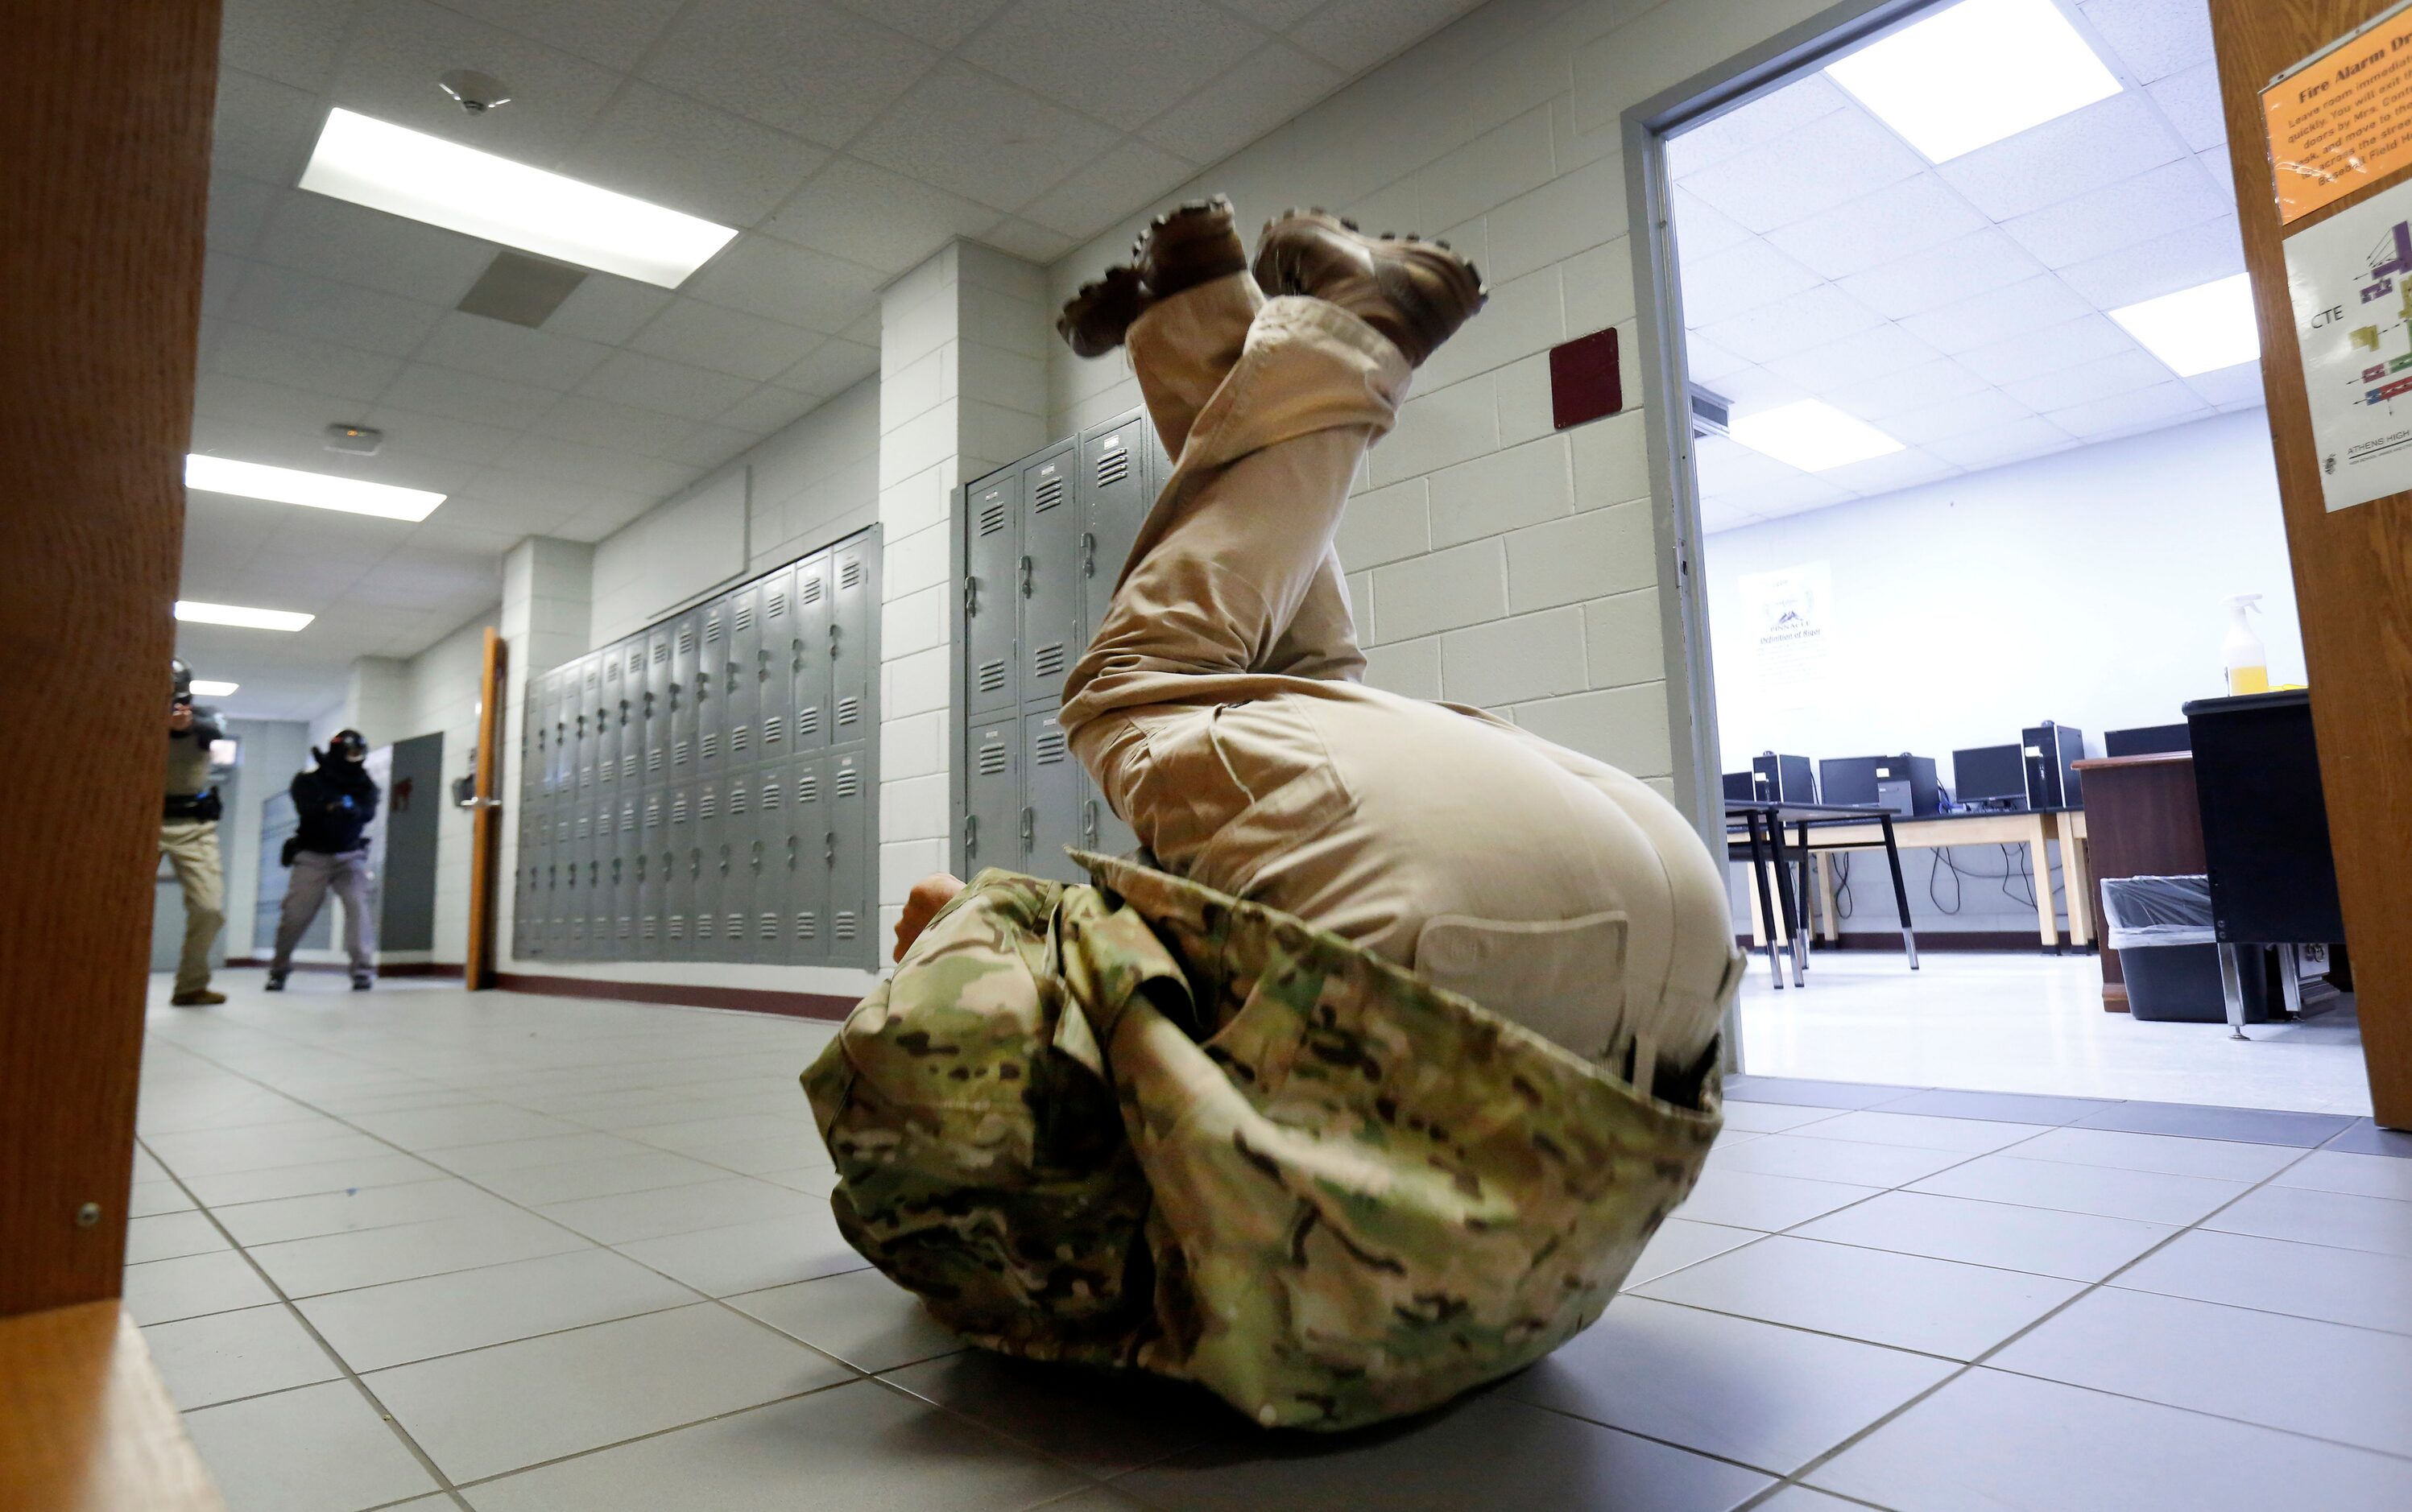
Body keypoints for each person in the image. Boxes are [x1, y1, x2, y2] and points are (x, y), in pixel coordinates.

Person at [805, 200, 1740, 1432]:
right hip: (1472, 939)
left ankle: (1200, 326)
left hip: (1657, 992)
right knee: (1129, 692)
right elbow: (961, 1002)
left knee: (1293, 699)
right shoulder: (1028, 1171)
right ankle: (1346, 330)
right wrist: (947, 935)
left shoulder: (1215, 1194)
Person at [267, 729, 380, 991]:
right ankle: (279, 968)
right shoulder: (310, 780)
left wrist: (351, 810)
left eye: (359, 754)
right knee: (295, 915)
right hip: (312, 856)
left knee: (358, 909)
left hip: (349, 855)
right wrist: (329, 806)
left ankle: (362, 970)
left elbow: (367, 813)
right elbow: (305, 805)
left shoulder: (364, 783)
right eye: (350, 753)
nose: (355, 759)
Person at [162, 659, 229, 1006]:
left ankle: (191, 986)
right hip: (141, 820)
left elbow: (213, 727)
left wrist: (180, 725)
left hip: (193, 826)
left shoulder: (204, 717)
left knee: (209, 909)